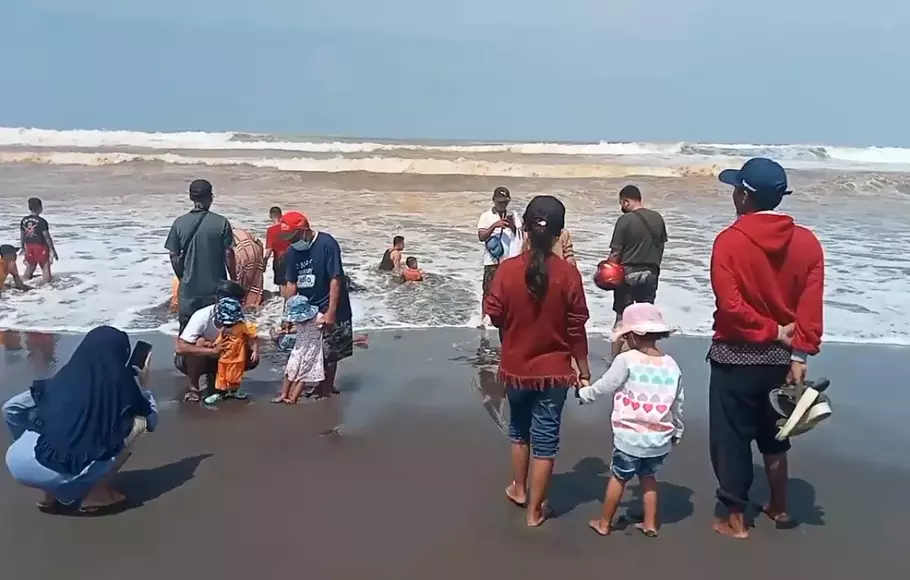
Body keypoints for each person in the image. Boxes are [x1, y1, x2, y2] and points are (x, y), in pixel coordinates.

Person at [709, 158, 824, 540]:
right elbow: (810, 306)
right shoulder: (807, 242)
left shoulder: (729, 241)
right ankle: (779, 505)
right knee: (775, 437)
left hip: (735, 358)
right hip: (780, 360)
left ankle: (736, 519)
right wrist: (799, 353)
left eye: (736, 189)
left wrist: (772, 330)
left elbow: (731, 307)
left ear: (744, 195)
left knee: (732, 438)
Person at [484, 195, 591, 527]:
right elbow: (576, 328)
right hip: (555, 373)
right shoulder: (568, 275)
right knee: (546, 438)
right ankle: (535, 511)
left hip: (516, 368)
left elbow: (495, 314)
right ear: (559, 234)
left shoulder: (507, 271)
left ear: (525, 230)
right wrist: (584, 371)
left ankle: (519, 488)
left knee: (519, 430)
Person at [3, 326, 158, 513]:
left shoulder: (59, 381)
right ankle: (98, 495)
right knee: (136, 424)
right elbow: (152, 421)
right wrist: (145, 387)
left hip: (16, 461)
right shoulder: (120, 390)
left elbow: (11, 408)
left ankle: (49, 494)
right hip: (55, 469)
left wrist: (21, 441)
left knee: (49, 429)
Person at [577, 303, 684, 538]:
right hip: (659, 439)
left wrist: (585, 393)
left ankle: (604, 522)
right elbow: (677, 403)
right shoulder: (671, 365)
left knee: (619, 476)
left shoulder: (627, 360)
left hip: (629, 437)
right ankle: (650, 524)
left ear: (633, 335)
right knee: (648, 479)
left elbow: (606, 385)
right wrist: (677, 430)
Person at [281, 212, 355, 399]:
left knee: (331, 351)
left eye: (293, 237)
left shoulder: (327, 244)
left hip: (331, 303)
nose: (291, 242)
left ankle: (327, 388)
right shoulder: (291, 252)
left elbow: (335, 278)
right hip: (306, 309)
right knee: (309, 350)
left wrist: (331, 311)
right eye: (287, 238)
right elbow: (291, 283)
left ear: (304, 231)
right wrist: (288, 315)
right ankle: (317, 384)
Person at [165, 179, 235, 333]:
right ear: (210, 197)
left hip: (189, 292)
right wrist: (234, 280)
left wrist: (182, 277)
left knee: (187, 335)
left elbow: (173, 255)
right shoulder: (221, 222)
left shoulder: (179, 223)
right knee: (217, 335)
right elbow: (229, 254)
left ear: (191, 197)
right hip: (216, 291)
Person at [607, 185, 668, 358]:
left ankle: (615, 358)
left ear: (626, 201)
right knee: (646, 319)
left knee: (622, 317)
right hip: (651, 274)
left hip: (628, 274)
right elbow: (660, 247)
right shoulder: (657, 218)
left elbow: (616, 253)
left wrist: (606, 272)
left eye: (621, 203)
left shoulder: (625, 220)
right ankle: (646, 355)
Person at [175, 281, 259, 403]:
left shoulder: (236, 315)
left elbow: (250, 335)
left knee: (246, 349)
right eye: (240, 302)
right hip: (192, 360)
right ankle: (194, 388)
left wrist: (253, 349)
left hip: (223, 356)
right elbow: (180, 348)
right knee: (199, 342)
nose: (242, 305)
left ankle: (228, 384)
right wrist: (212, 349)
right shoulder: (202, 316)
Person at [477, 187, 524, 326]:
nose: (502, 205)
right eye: (499, 202)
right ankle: (484, 319)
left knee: (508, 292)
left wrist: (513, 227)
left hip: (509, 261)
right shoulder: (486, 216)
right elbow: (481, 236)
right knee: (488, 290)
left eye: (504, 202)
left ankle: (505, 319)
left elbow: (522, 238)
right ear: (493, 201)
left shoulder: (513, 217)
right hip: (491, 261)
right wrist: (494, 226)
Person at [204, 297, 258, 406]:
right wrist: (214, 344)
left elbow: (253, 337)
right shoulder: (224, 328)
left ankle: (233, 392)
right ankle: (221, 393)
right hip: (223, 357)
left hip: (237, 358)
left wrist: (255, 351)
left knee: (234, 376)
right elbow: (220, 338)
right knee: (221, 376)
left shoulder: (242, 326)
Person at [272, 295, 325, 404]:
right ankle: (284, 394)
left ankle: (293, 398)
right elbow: (298, 329)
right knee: (290, 369)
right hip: (298, 348)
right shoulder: (298, 320)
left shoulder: (318, 317)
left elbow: (328, 325)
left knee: (303, 374)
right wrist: (285, 331)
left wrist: (324, 324)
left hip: (312, 350)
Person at [20, 197, 59, 284]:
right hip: (40, 246)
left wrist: (23, 247)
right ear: (40, 208)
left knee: (31, 265)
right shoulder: (41, 221)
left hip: (29, 245)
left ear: (29, 208)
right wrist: (53, 250)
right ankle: (47, 285)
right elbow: (46, 237)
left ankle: (24, 282)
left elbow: (22, 234)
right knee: (45, 265)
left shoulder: (24, 220)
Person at [232, 228, 265, 309]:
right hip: (255, 250)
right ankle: (255, 303)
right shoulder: (241, 231)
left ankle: (243, 305)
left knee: (242, 281)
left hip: (241, 253)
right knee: (256, 281)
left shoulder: (228, 235)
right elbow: (259, 243)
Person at [264, 206, 291, 288]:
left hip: (279, 260)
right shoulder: (288, 227)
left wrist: (264, 262)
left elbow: (269, 249)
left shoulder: (271, 230)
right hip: (292, 257)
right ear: (281, 215)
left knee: (282, 284)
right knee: (292, 281)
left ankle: (284, 299)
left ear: (270, 216)